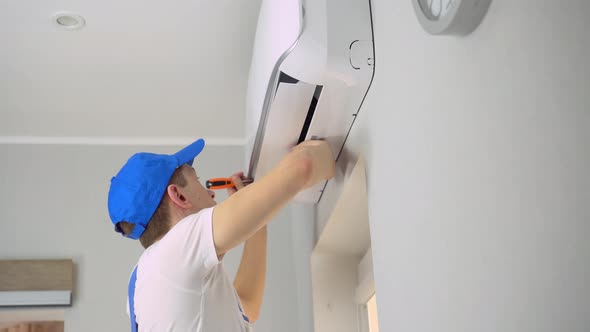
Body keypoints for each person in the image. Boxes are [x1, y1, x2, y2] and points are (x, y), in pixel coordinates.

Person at [107, 138, 335, 331]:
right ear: (179, 196)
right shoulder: (175, 249)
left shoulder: (144, 282)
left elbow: (247, 307)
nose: (209, 192)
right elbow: (303, 166)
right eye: (196, 179)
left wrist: (257, 223)